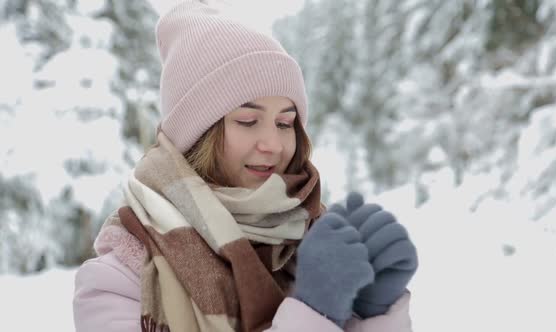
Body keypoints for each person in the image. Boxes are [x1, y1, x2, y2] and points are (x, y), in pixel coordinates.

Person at [72, 1, 418, 331]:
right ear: (197, 136)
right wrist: (314, 311)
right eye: (248, 120)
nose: (273, 144)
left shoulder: (310, 246)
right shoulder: (117, 283)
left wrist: (374, 313)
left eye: (285, 123)